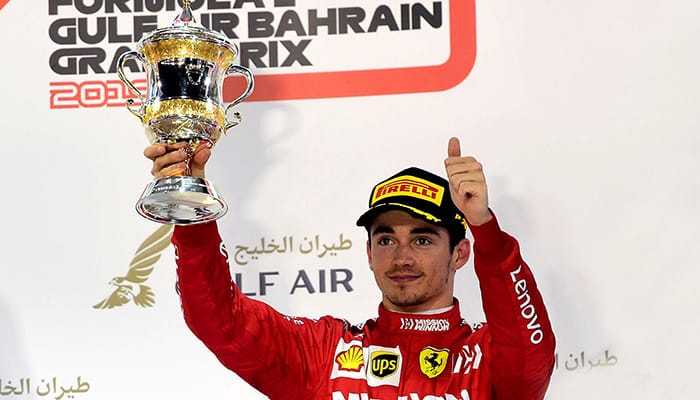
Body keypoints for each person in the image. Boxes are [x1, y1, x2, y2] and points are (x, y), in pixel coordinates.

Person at [145, 137, 555, 400]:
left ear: (460, 254)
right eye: (386, 239)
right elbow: (220, 321)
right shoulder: (326, 352)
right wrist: (190, 208)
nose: (402, 257)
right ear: (369, 253)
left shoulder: (485, 357)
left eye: (422, 239)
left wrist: (485, 229)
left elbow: (530, 359)